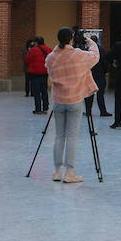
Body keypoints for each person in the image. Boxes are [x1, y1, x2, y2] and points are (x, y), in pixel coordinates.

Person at [45, 26, 100, 184]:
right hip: (74, 100)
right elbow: (95, 57)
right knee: (71, 137)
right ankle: (69, 172)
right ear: (70, 39)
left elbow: (48, 68)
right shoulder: (78, 55)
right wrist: (91, 43)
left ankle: (56, 171)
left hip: (58, 101)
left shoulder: (51, 57)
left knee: (59, 137)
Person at [25, 36, 51, 114]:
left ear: (36, 42)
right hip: (45, 73)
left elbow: (27, 60)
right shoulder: (49, 49)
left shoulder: (33, 50)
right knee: (44, 91)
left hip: (35, 74)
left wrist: (29, 51)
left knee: (37, 93)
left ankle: (38, 109)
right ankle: (45, 108)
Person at [88, 35, 111, 116]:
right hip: (100, 74)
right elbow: (105, 62)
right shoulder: (101, 49)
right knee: (100, 94)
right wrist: (106, 71)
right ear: (97, 41)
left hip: (89, 74)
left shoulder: (88, 50)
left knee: (89, 94)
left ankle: (88, 111)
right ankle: (103, 111)